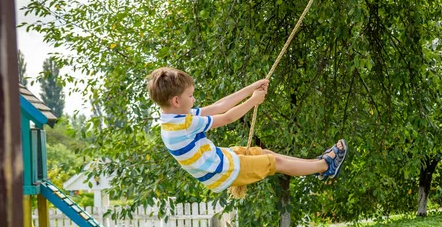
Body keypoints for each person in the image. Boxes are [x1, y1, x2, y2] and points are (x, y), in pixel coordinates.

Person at [146, 67, 348, 193]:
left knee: (265, 154)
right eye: (191, 96)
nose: (194, 99)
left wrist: (251, 88)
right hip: (221, 171)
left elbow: (219, 106)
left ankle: (319, 164)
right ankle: (324, 166)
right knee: (274, 162)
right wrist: (253, 101)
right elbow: (227, 117)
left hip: (219, 160)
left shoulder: (174, 118)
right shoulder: (183, 124)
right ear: (176, 100)